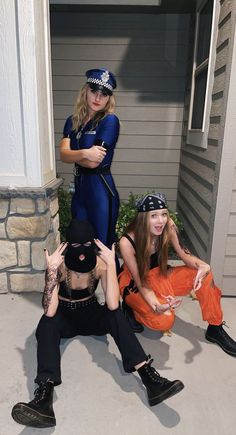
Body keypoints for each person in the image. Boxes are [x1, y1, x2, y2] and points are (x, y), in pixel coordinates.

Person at [11, 219, 184, 428]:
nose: (81, 253)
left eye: (86, 246)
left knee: (116, 316)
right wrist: (51, 273)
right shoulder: (60, 264)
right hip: (63, 314)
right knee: (46, 324)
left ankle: (149, 378)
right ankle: (44, 397)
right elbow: (50, 310)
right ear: (67, 246)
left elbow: (112, 304)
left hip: (90, 311)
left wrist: (111, 265)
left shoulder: (101, 263)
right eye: (75, 246)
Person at [118, 192, 236, 357]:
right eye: (154, 216)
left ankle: (215, 328)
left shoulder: (168, 226)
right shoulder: (127, 242)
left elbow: (185, 255)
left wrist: (203, 265)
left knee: (204, 275)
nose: (161, 220)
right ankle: (132, 308)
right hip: (135, 281)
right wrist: (156, 305)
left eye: (164, 214)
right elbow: (141, 282)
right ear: (143, 217)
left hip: (160, 274)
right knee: (165, 319)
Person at [60, 68, 120, 248]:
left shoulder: (109, 121)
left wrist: (73, 155)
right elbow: (63, 155)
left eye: (104, 94)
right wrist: (85, 153)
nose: (98, 98)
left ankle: (111, 276)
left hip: (100, 188)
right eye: (94, 91)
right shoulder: (72, 121)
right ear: (85, 90)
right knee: (79, 242)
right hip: (80, 189)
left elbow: (94, 163)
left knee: (102, 245)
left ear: (109, 98)